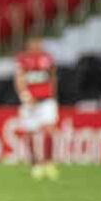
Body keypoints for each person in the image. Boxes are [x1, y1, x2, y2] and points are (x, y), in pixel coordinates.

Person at [14, 35, 59, 180]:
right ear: (29, 44)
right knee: (30, 132)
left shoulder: (47, 58)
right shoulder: (22, 59)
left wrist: (52, 92)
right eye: (34, 43)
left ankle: (48, 163)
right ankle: (35, 164)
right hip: (30, 102)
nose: (36, 45)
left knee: (49, 130)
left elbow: (52, 76)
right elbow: (19, 79)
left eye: (38, 42)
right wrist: (25, 96)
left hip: (46, 101)